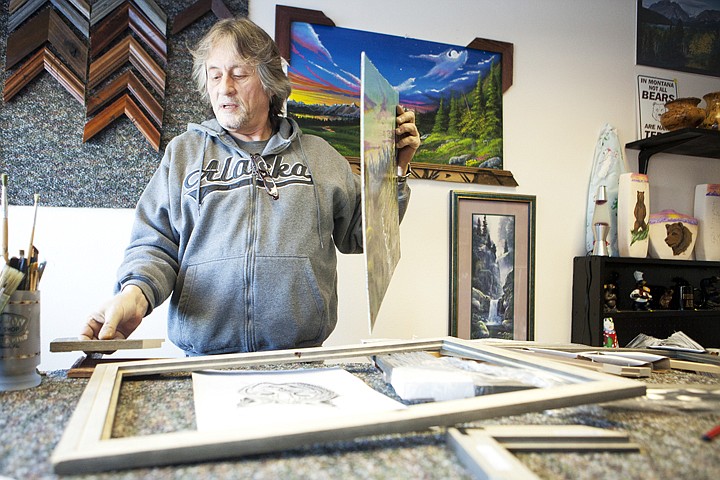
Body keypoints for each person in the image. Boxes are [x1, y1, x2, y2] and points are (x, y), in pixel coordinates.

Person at [79, 17, 420, 355]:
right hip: (204, 360)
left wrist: (396, 168)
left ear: (270, 83)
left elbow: (363, 236)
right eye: (215, 74)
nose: (224, 87)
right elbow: (155, 243)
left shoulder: (321, 156)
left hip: (299, 358)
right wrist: (134, 294)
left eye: (239, 74)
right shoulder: (183, 153)